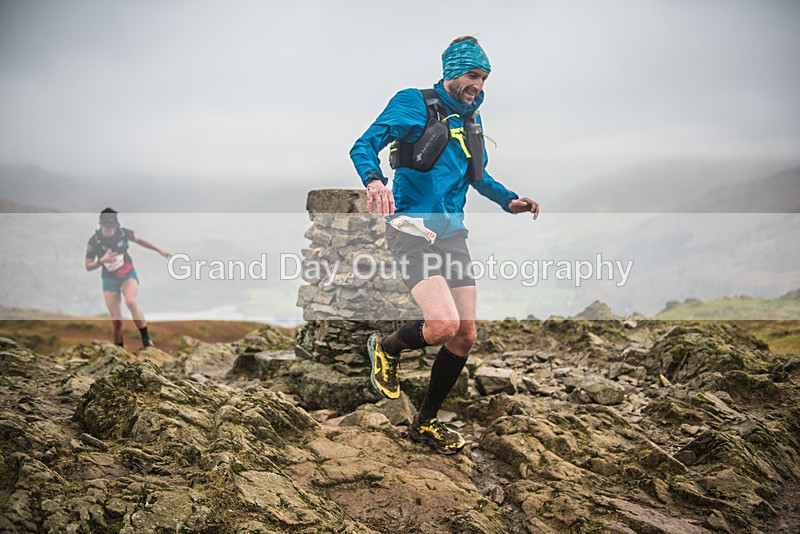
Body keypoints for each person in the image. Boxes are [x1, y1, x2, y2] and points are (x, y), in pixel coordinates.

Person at [350, 36, 540, 455]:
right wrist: (375, 179)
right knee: (441, 327)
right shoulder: (414, 102)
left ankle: (425, 423)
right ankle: (386, 347)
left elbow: (478, 176)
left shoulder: (472, 119)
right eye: (474, 75)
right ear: (453, 72)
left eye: (485, 78)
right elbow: (364, 144)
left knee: (465, 335)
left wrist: (509, 200)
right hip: (412, 228)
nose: (480, 85)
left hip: (453, 233)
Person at [85, 208, 171, 348]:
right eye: (107, 228)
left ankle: (146, 340)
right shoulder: (93, 242)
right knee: (116, 320)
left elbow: (139, 240)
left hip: (127, 273)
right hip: (109, 278)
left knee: (131, 301)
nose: (110, 231)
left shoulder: (123, 233)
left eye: (112, 227)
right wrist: (102, 260)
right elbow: (88, 266)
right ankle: (119, 349)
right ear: (100, 224)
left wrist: (159, 250)